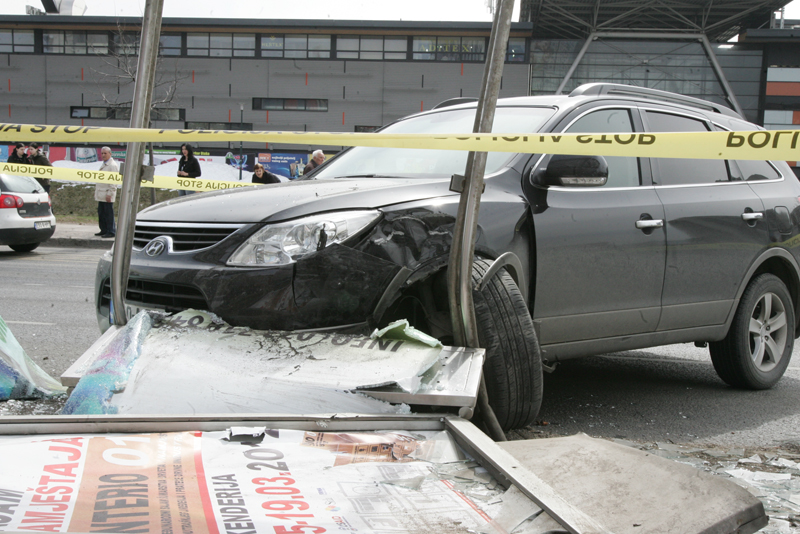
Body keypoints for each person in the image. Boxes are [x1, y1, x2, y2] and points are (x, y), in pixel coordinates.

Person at [95, 147, 119, 238]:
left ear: (110, 153)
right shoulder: (104, 164)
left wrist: (110, 193)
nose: (103, 155)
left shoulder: (112, 165)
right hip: (101, 193)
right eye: (102, 153)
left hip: (107, 193)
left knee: (108, 213)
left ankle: (111, 231)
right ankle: (103, 229)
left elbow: (113, 181)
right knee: (102, 213)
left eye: (105, 153)